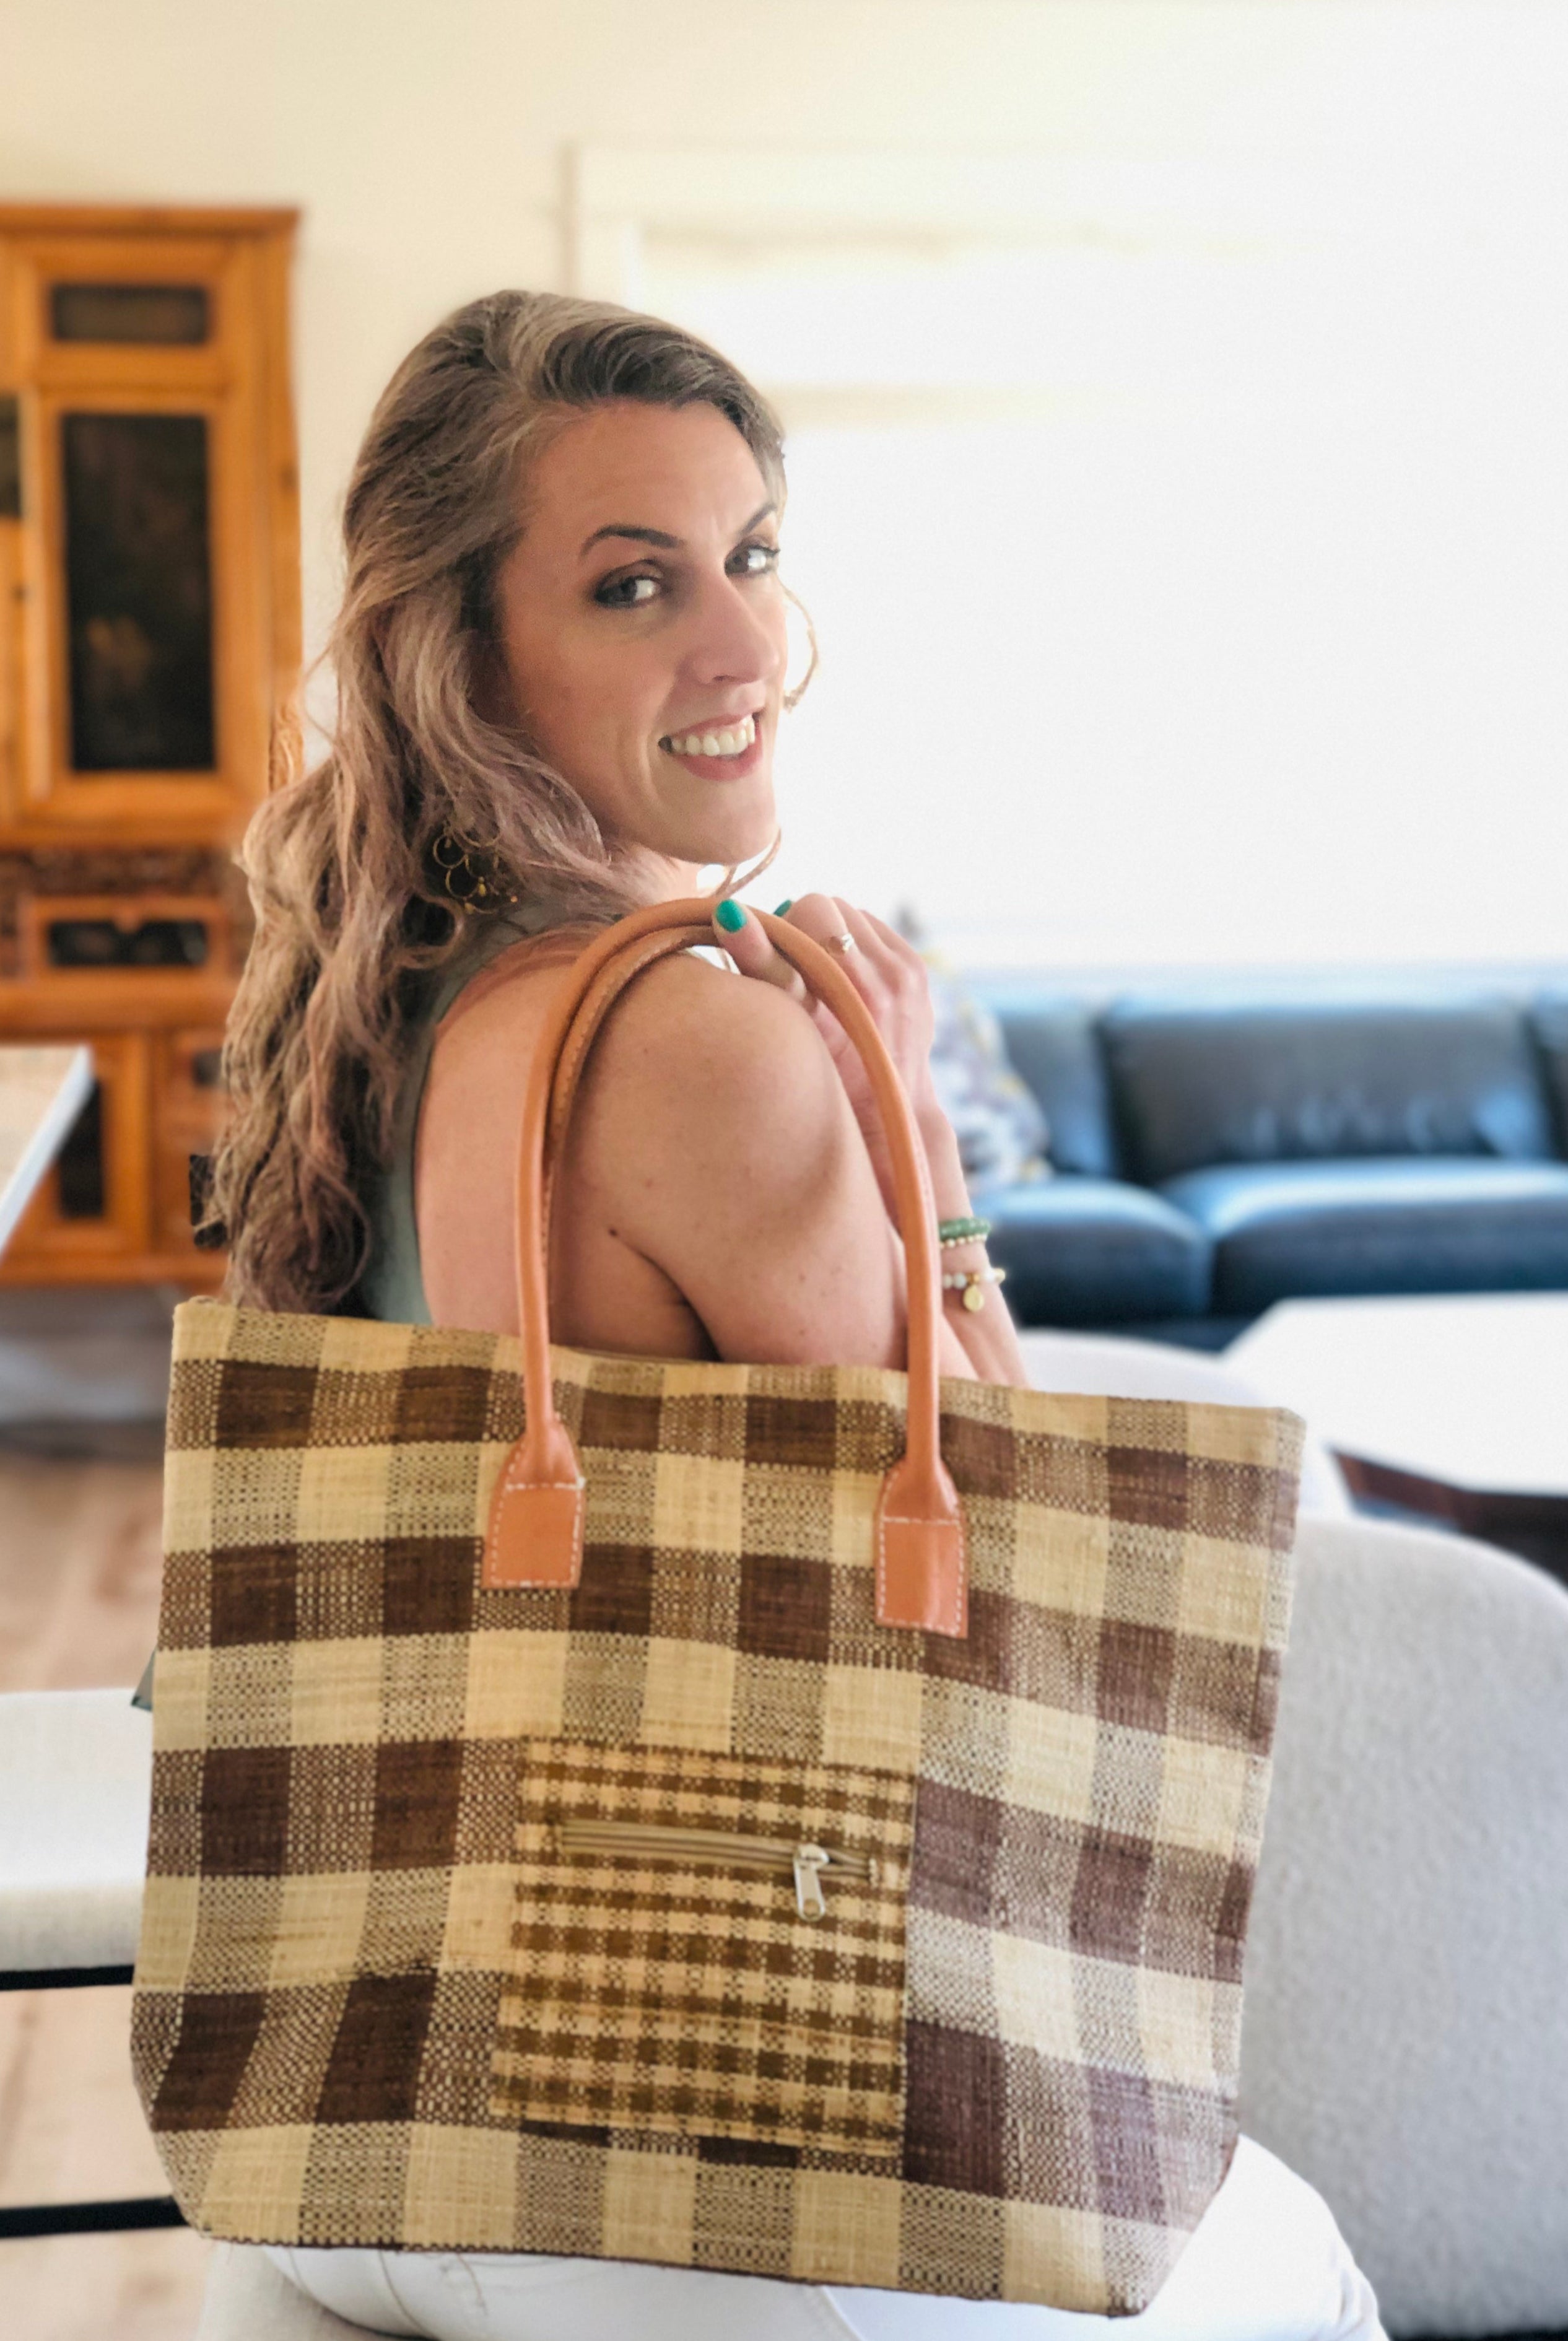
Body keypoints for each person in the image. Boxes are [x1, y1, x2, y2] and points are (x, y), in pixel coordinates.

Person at [212, 290, 1385, 2341]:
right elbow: (1019, 1567)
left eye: (749, 553)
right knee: (1296, 2263)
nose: (740, 643)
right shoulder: (690, 1036)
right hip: (677, 2139)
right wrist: (907, 1123)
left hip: (341, 2106)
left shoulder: (366, 1002)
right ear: (464, 651)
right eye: (633, 583)